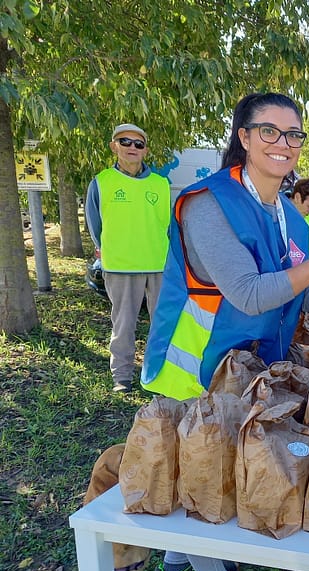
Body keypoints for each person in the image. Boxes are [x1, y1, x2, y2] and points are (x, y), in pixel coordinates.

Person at [141, 92, 309, 571]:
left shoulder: (292, 218)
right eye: (268, 131)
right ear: (243, 137)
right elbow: (249, 292)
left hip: (248, 366)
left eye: (294, 135)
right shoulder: (207, 202)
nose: (283, 144)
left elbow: (301, 292)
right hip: (196, 365)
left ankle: (174, 569)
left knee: (202, 471)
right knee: (200, 477)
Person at [84, 123, 171, 393]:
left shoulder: (160, 184)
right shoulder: (102, 182)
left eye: (138, 143)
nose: (132, 148)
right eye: (125, 142)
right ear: (114, 146)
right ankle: (122, 377)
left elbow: (168, 226)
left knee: (163, 325)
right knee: (123, 325)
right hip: (120, 267)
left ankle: (158, 374)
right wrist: (113, 250)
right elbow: (94, 225)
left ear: (145, 150)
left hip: (159, 265)